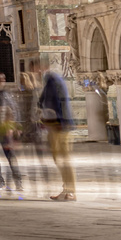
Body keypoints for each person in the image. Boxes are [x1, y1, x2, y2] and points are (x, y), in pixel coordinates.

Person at [34, 59, 77, 201]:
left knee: (63, 159)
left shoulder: (53, 79)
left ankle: (70, 191)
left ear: (41, 67)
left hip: (60, 124)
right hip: (54, 124)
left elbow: (59, 100)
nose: (34, 73)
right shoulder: (49, 80)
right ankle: (66, 189)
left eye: (35, 69)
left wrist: (61, 120)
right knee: (58, 158)